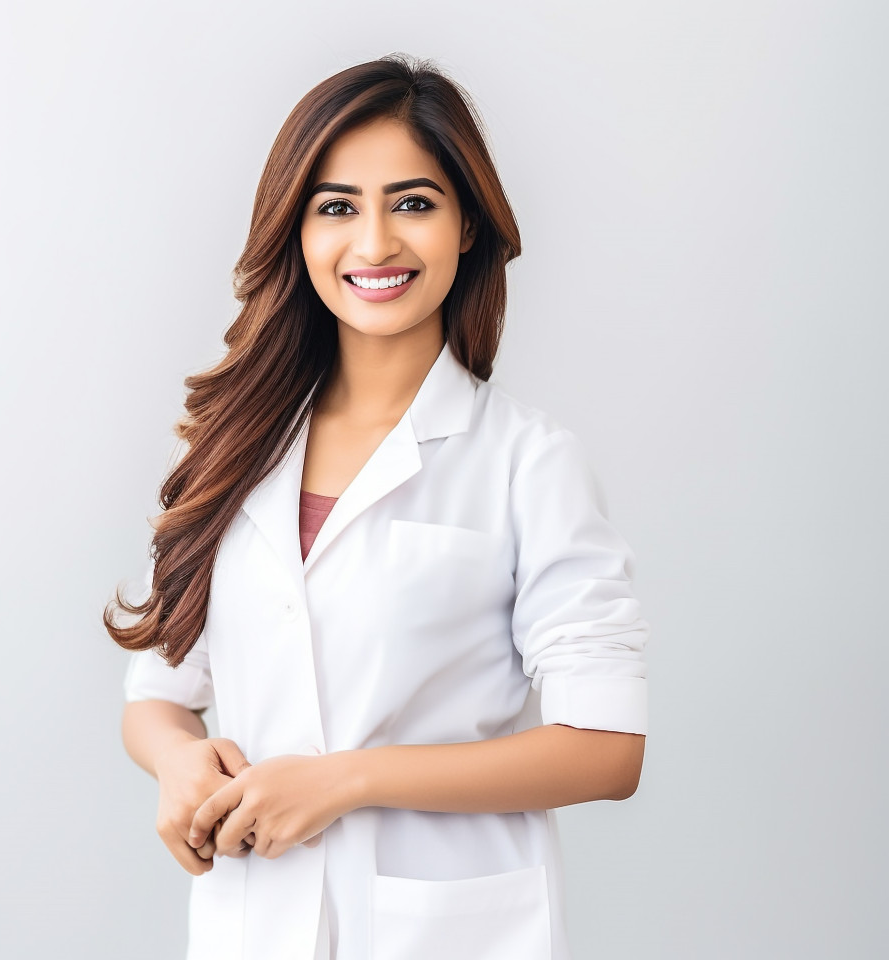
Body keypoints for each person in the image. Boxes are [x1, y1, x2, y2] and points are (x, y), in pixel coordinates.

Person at [105, 52, 649, 960]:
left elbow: (605, 748)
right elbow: (158, 693)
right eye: (337, 207)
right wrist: (175, 762)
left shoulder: (527, 463)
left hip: (446, 932)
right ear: (297, 229)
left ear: (467, 224)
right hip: (254, 922)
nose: (375, 244)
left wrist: (346, 781)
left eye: (413, 203)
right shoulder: (233, 448)